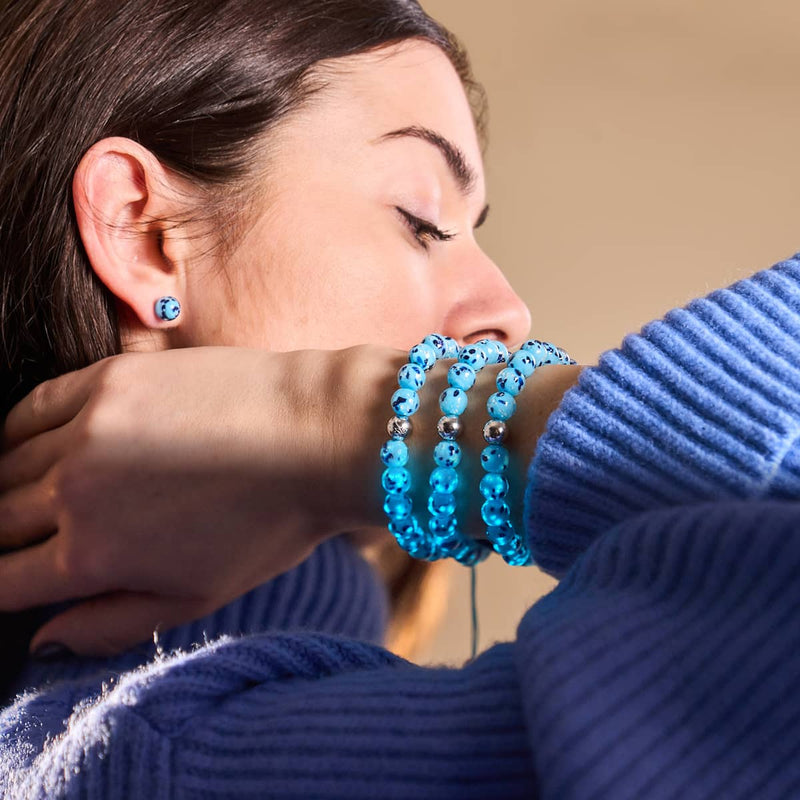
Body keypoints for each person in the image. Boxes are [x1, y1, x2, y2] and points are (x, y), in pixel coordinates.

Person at [1, 1, 799, 799]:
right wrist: (344, 414)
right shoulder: (162, 763)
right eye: (422, 221)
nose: (510, 314)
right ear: (143, 232)